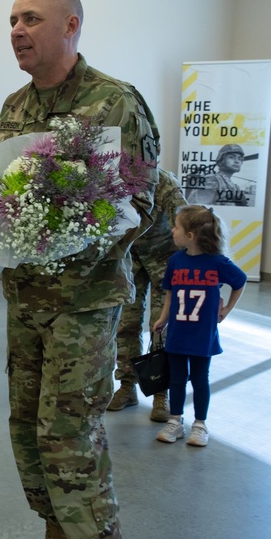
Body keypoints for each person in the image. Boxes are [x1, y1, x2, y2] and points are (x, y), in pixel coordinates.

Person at [0, 0, 160, 539]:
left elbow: (141, 200)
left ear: (71, 25)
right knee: (28, 425)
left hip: (84, 301)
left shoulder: (113, 101)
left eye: (31, 18)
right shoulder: (13, 107)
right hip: (24, 299)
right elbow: (2, 193)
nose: (17, 30)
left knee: (69, 432)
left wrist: (73, 237)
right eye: (11, 20)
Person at [152, 205, 246, 447]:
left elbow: (240, 281)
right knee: (176, 378)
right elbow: (170, 293)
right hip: (178, 332)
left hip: (203, 334)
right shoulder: (176, 261)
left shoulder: (217, 263)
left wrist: (226, 310)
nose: (172, 230)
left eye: (176, 227)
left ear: (190, 236)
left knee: (199, 379)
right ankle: (175, 421)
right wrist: (164, 318)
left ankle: (200, 424)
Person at [109, 169, 187, 422]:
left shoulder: (164, 182)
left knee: (161, 328)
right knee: (126, 325)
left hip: (167, 258)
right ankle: (127, 387)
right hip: (131, 258)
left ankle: (160, 395)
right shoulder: (111, 178)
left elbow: (186, 222)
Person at [188, 144, 253, 207]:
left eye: (240, 159)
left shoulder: (235, 187)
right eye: (232, 157)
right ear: (222, 160)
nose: (237, 161)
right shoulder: (211, 180)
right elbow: (197, 210)